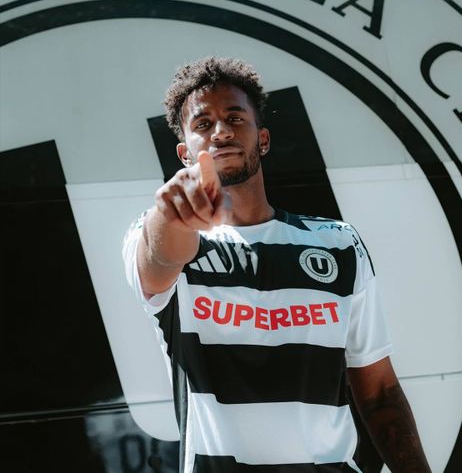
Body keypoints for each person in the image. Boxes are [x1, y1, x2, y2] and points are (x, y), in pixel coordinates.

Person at [123, 56, 431, 473]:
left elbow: (378, 389)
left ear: (263, 139)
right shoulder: (164, 234)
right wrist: (172, 213)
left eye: (235, 118)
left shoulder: (338, 243)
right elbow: (161, 255)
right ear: (185, 153)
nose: (221, 131)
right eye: (203, 124)